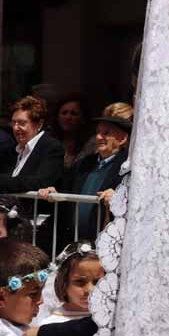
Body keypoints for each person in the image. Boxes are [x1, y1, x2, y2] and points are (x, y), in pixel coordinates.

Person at [39, 103, 132, 244]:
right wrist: (54, 191)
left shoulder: (128, 167)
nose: (99, 137)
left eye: (106, 133)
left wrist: (118, 197)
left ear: (122, 139)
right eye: (98, 132)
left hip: (106, 243)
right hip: (75, 240)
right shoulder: (85, 163)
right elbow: (66, 187)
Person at [0, 96, 64, 195]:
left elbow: (41, 182)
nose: (16, 128)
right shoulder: (14, 148)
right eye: (14, 123)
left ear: (39, 124)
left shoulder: (52, 147)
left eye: (22, 123)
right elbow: (5, 180)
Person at [50, 94, 95, 174]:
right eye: (64, 113)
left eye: (73, 113)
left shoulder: (91, 143)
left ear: (83, 118)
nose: (68, 117)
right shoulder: (50, 140)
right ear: (57, 117)